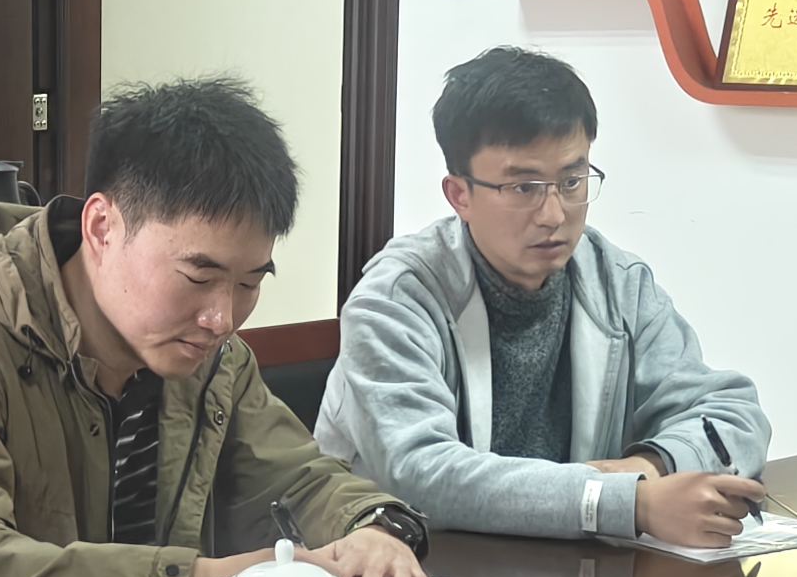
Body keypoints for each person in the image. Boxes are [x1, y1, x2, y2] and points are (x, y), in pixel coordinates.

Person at [0, 75, 429, 577]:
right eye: (198, 277)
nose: (222, 318)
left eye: (250, 282)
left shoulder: (210, 361)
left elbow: (297, 480)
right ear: (102, 227)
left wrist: (372, 527)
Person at [318, 47, 771, 547]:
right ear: (459, 195)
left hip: (562, 571)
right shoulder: (397, 298)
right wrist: (628, 502)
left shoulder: (616, 282)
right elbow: (422, 473)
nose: (554, 214)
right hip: (409, 566)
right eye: (523, 188)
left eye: (572, 181)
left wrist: (647, 467)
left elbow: (733, 415)